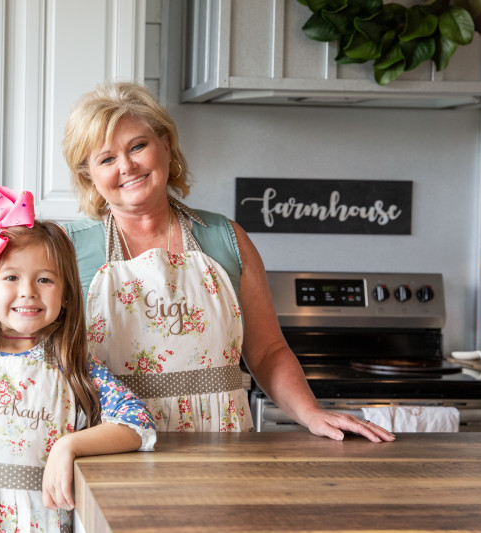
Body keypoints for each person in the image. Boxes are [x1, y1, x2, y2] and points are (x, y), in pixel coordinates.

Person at [62, 81, 394, 442]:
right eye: (107, 159)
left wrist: (311, 413)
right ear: (89, 176)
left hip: (220, 444)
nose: (127, 166)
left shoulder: (225, 238)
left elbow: (267, 351)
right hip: (113, 445)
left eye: (138, 146)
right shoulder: (67, 249)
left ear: (166, 145)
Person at [0, 186, 156, 533]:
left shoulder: (72, 365)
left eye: (44, 279)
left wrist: (68, 446)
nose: (28, 291)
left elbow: (138, 423)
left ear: (66, 296)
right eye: (11, 277)